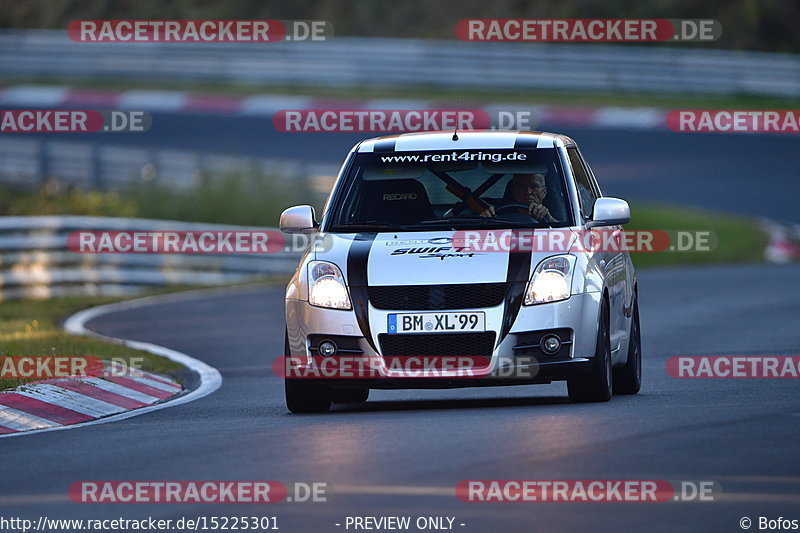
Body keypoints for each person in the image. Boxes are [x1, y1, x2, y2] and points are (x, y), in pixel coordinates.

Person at [480, 173, 558, 222]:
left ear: (544, 192)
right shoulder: (498, 217)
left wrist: (550, 220)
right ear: (514, 191)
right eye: (522, 186)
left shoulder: (553, 220)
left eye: (534, 187)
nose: (528, 191)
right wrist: (485, 221)